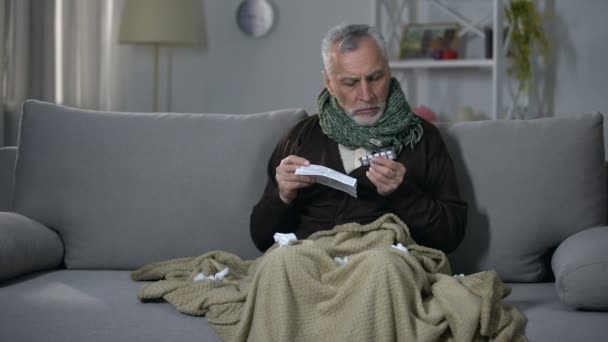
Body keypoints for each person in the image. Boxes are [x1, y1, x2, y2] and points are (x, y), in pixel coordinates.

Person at [250, 24, 467, 254]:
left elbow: (451, 236)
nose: (366, 95)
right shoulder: (300, 137)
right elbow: (262, 239)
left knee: (383, 265)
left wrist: (403, 193)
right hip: (312, 259)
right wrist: (282, 196)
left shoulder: (422, 137)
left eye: (374, 78)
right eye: (351, 83)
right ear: (329, 83)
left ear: (388, 71)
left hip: (383, 258)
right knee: (280, 263)